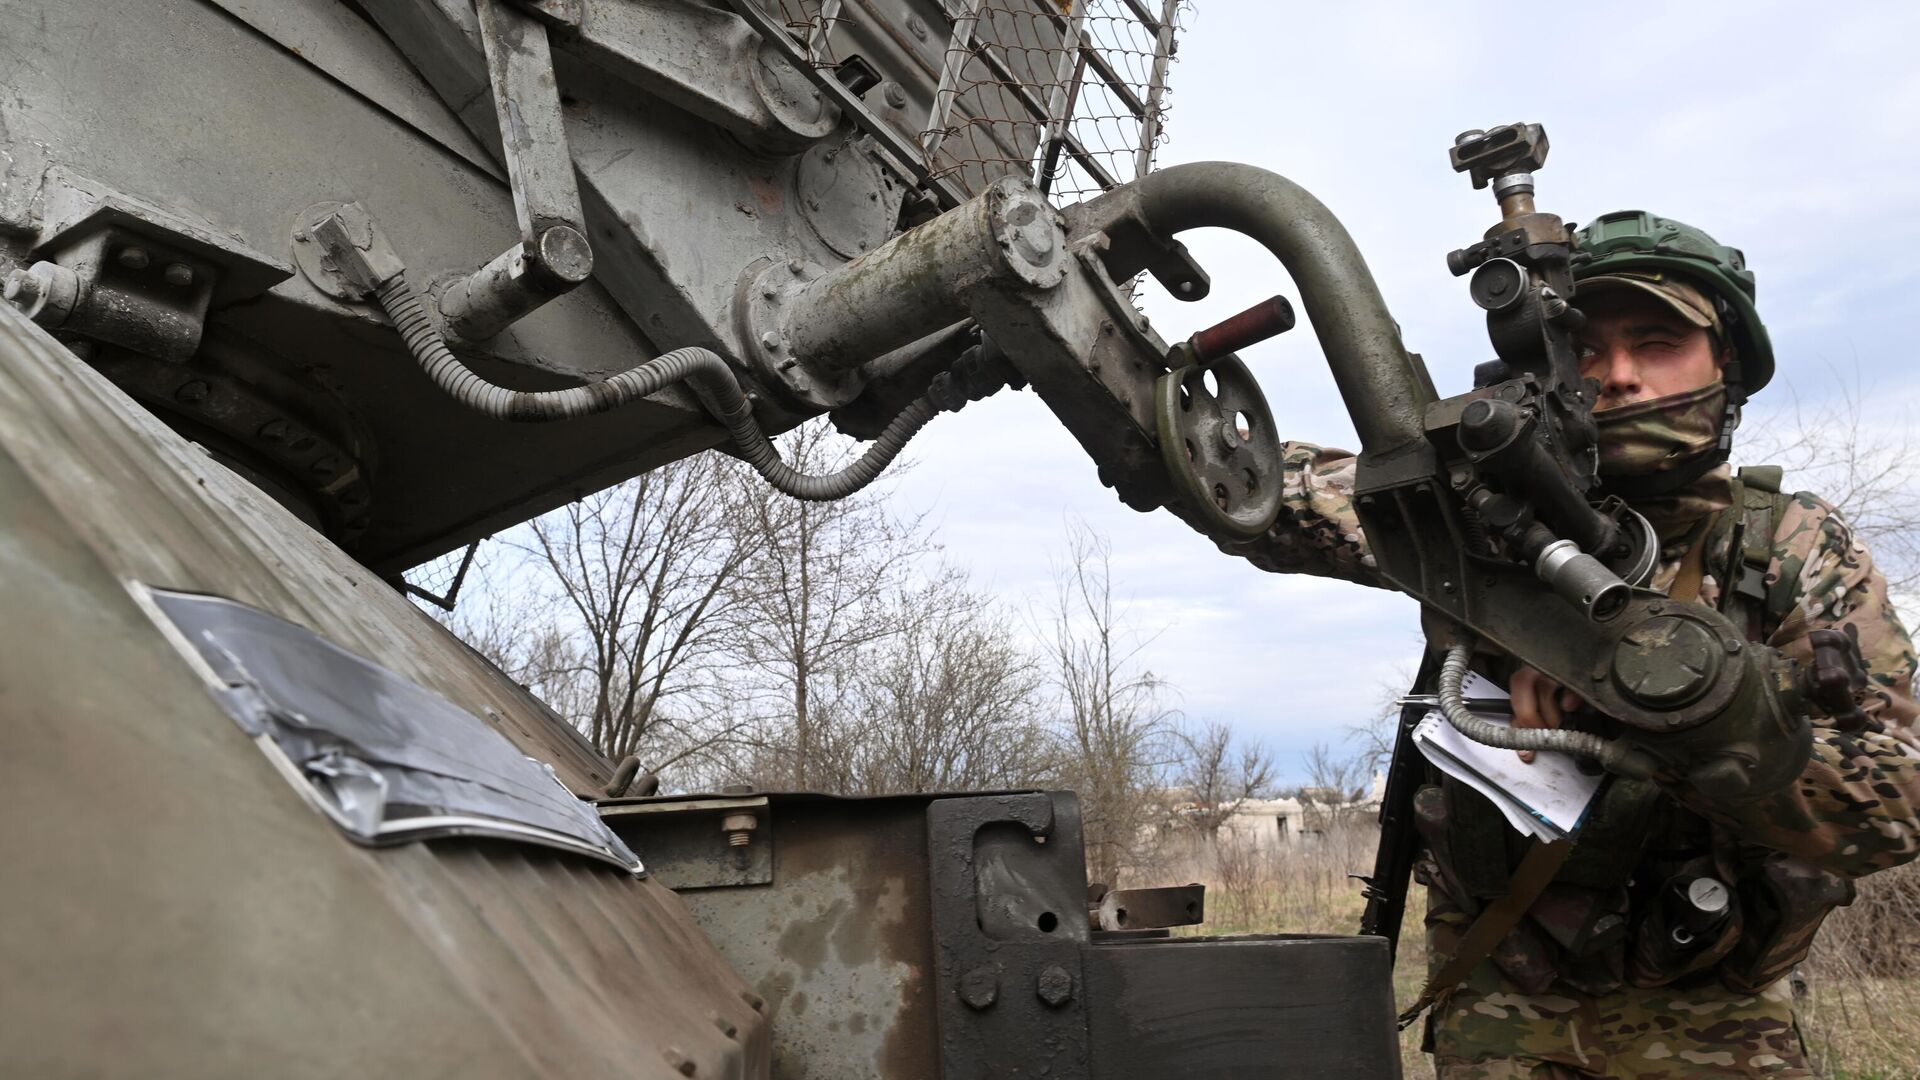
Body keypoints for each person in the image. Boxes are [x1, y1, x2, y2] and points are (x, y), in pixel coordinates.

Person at [1232, 210, 1920, 1078]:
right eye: (1586, 349)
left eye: (1658, 341)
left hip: (1715, 1018)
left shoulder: (1788, 544)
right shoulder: (1474, 522)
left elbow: (1895, 804)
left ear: (1728, 365)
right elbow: (1252, 490)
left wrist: (1663, 714)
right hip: (1505, 1004)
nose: (1619, 376)